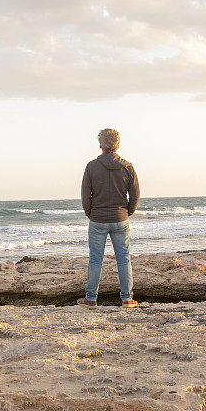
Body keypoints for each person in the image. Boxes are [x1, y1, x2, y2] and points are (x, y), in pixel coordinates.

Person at [78, 128, 140, 308]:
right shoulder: (127, 166)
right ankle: (127, 299)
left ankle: (90, 299)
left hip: (98, 220)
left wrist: (90, 213)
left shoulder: (91, 166)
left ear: (100, 145)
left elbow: (85, 196)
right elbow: (135, 195)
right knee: (124, 259)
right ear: (117, 145)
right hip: (120, 219)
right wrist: (127, 212)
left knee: (95, 259)